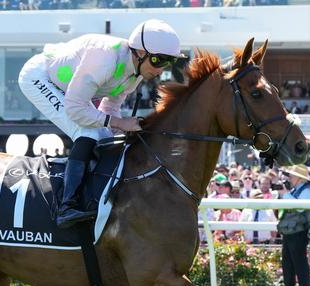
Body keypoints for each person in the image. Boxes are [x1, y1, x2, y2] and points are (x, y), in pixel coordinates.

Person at [18, 19, 185, 228]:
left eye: (168, 62)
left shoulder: (136, 73)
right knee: (87, 132)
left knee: (105, 137)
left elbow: (109, 109)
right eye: (158, 60)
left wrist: (119, 127)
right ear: (140, 52)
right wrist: (121, 123)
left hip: (69, 89)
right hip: (40, 77)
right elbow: (76, 109)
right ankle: (66, 206)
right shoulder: (104, 60)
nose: (161, 69)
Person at [276, 165, 310, 286]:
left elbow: (299, 207)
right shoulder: (295, 190)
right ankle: (289, 285)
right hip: (290, 230)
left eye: (292, 176)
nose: (289, 178)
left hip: (299, 230)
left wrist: (285, 194)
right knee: (287, 259)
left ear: (299, 178)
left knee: (298, 259)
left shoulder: (307, 191)